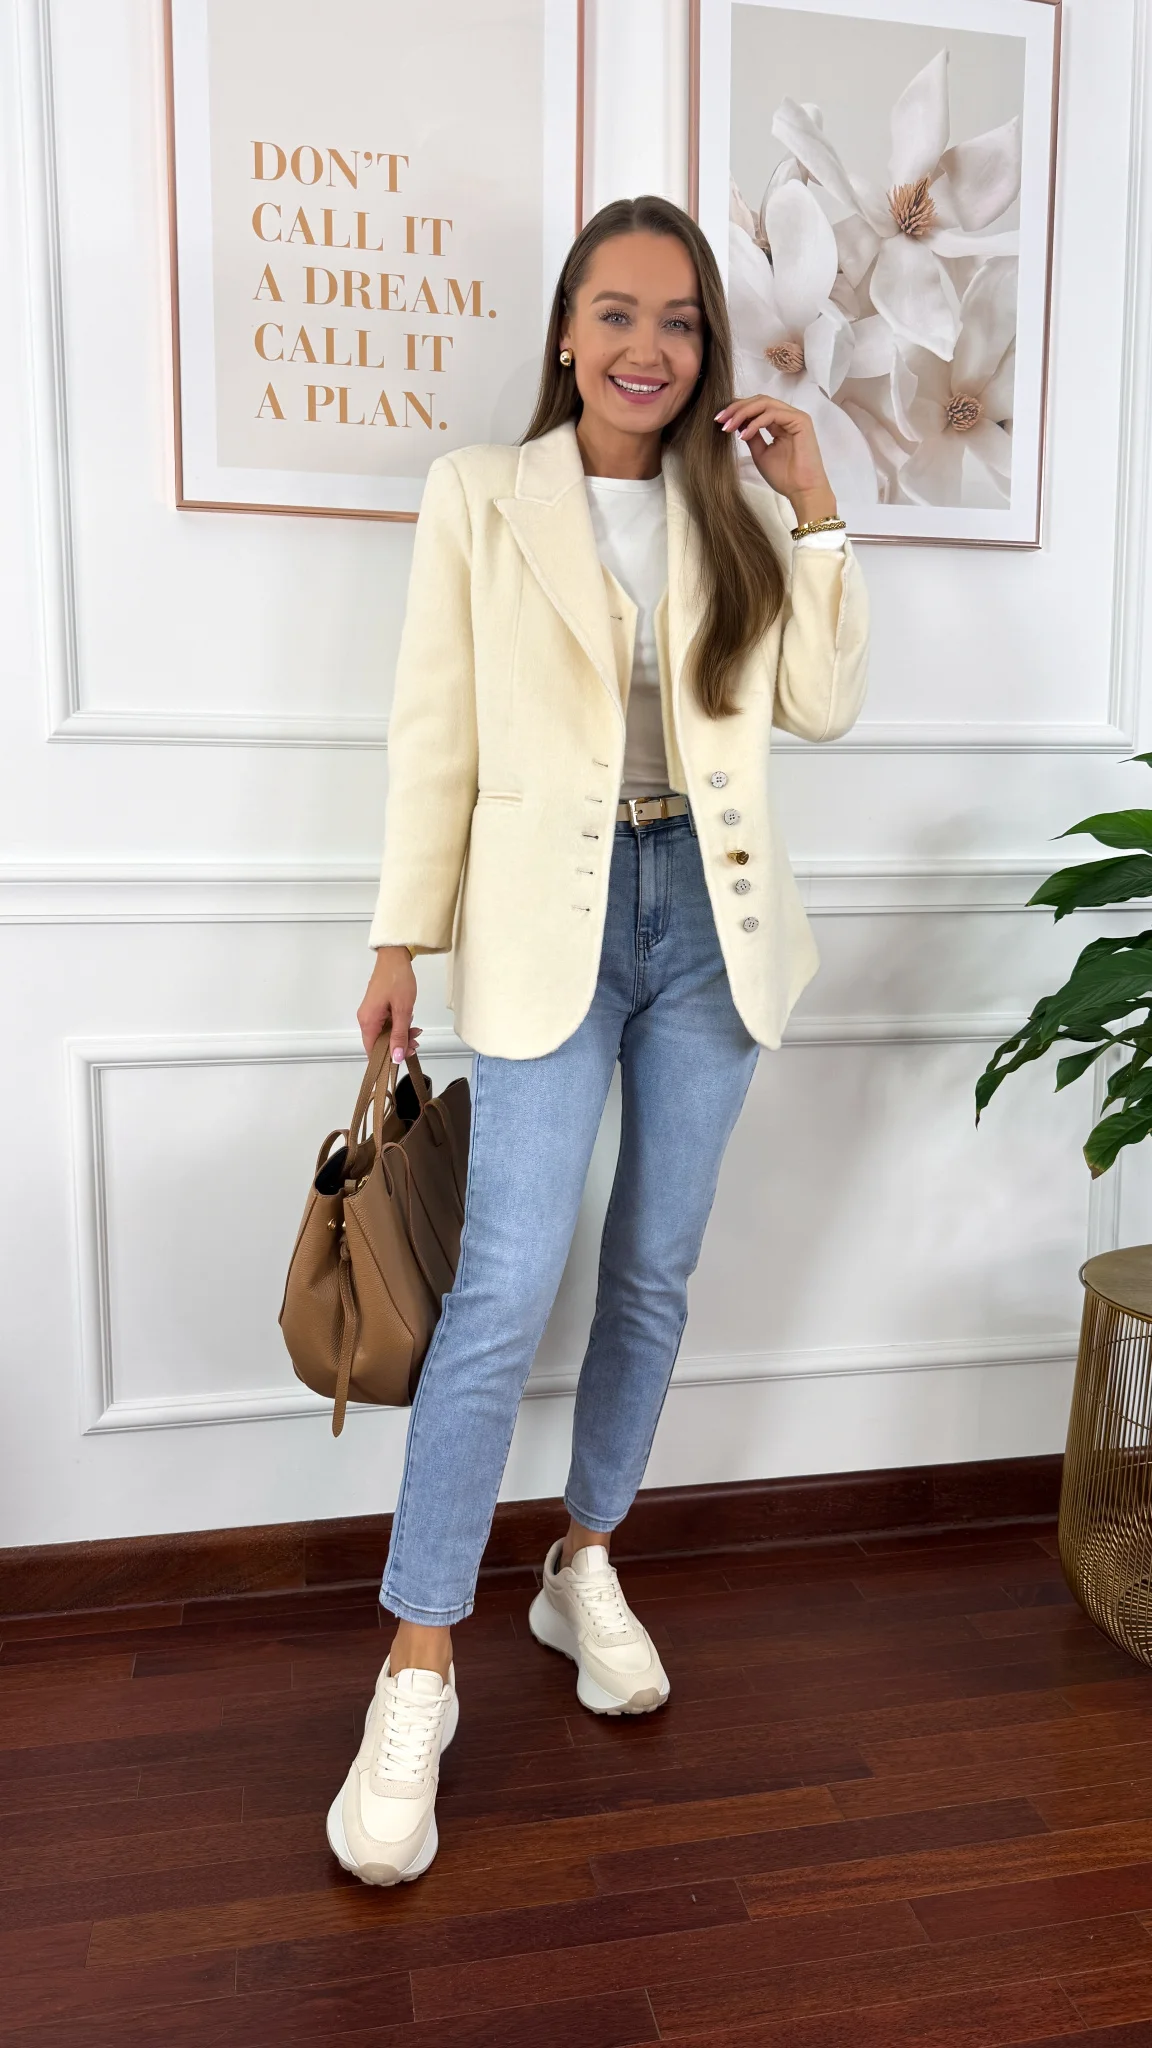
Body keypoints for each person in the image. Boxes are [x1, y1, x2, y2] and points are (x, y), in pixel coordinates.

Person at [327, 193, 869, 1887]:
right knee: (501, 1289)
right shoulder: (482, 496)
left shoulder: (735, 510)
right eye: (619, 313)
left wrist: (816, 507)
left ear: (708, 347)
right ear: (567, 330)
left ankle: (582, 1562)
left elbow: (822, 705)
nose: (650, 346)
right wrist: (400, 936)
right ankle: (419, 1663)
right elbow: (436, 730)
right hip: (541, 923)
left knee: (652, 1271)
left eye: (681, 320)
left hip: (712, 925)